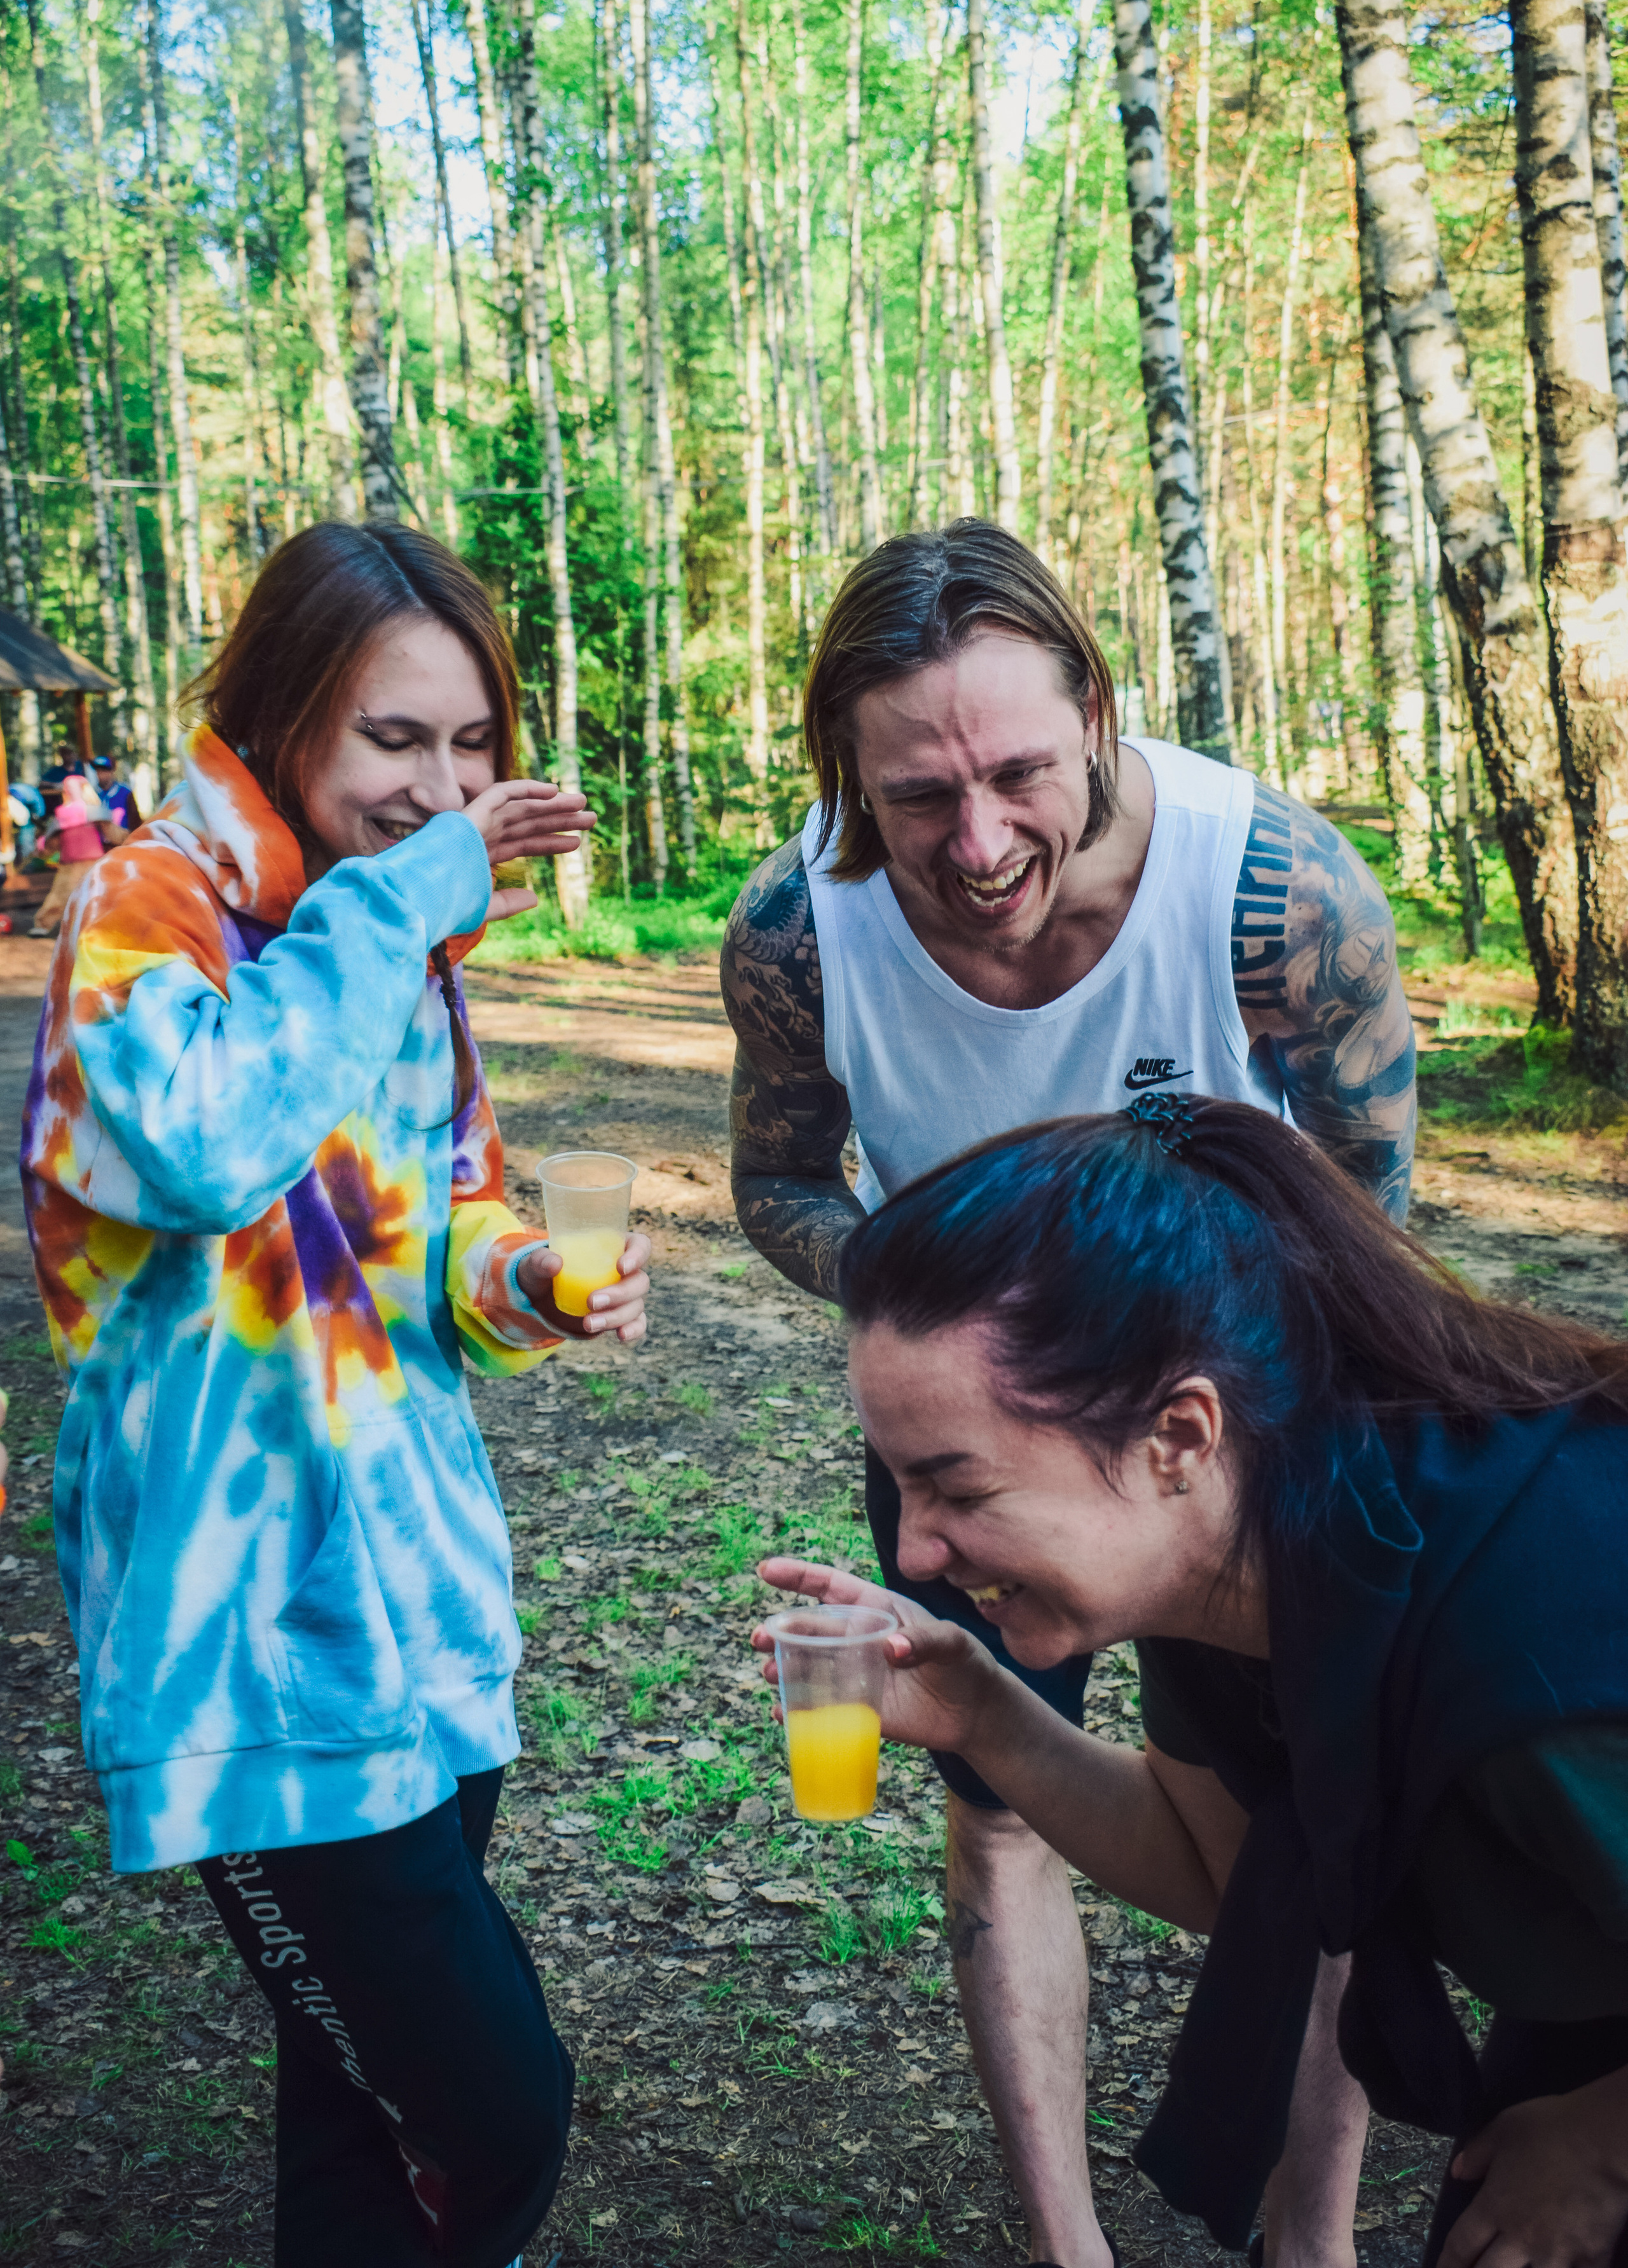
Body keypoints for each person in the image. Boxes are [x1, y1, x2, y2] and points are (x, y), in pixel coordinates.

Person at [722, 520, 1416, 2268]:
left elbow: (1373, 1233)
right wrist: (935, 1302)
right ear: (845, 783)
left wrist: (1155, 1352)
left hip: (1244, 1434)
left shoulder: (1277, 893)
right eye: (911, 801)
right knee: (1001, 1801)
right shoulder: (799, 930)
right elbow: (779, 1182)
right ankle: (1064, 2245)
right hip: (969, 1447)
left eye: (1020, 773)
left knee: (1335, 1838)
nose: (976, 845)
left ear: (1096, 711)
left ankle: (1307, 2232)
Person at [22, 521, 652, 2268]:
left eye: (473, 748)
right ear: (286, 715)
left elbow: (440, 1211)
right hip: (248, 1649)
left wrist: (528, 1277)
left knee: (362, 2138)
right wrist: (411, 898)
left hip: (420, 1623)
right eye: (396, 740)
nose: (445, 792)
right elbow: (210, 1144)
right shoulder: (145, 910)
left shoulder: (373, 941)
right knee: (495, 2109)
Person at [756, 1099, 1628, 2267]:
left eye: (957, 1489)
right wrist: (983, 1715)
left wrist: (1604, 2141)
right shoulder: (1228, 1553)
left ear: (1178, 1434)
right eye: (898, 1487)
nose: (912, 1554)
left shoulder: (1543, 1656)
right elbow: (1219, 1862)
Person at [29, 769, 118, 937]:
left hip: (85, 861)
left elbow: (111, 831)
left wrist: (43, 851)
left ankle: (101, 924)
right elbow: (113, 832)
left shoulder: (83, 813)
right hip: (78, 862)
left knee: (83, 893)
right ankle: (43, 924)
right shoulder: (87, 812)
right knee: (66, 895)